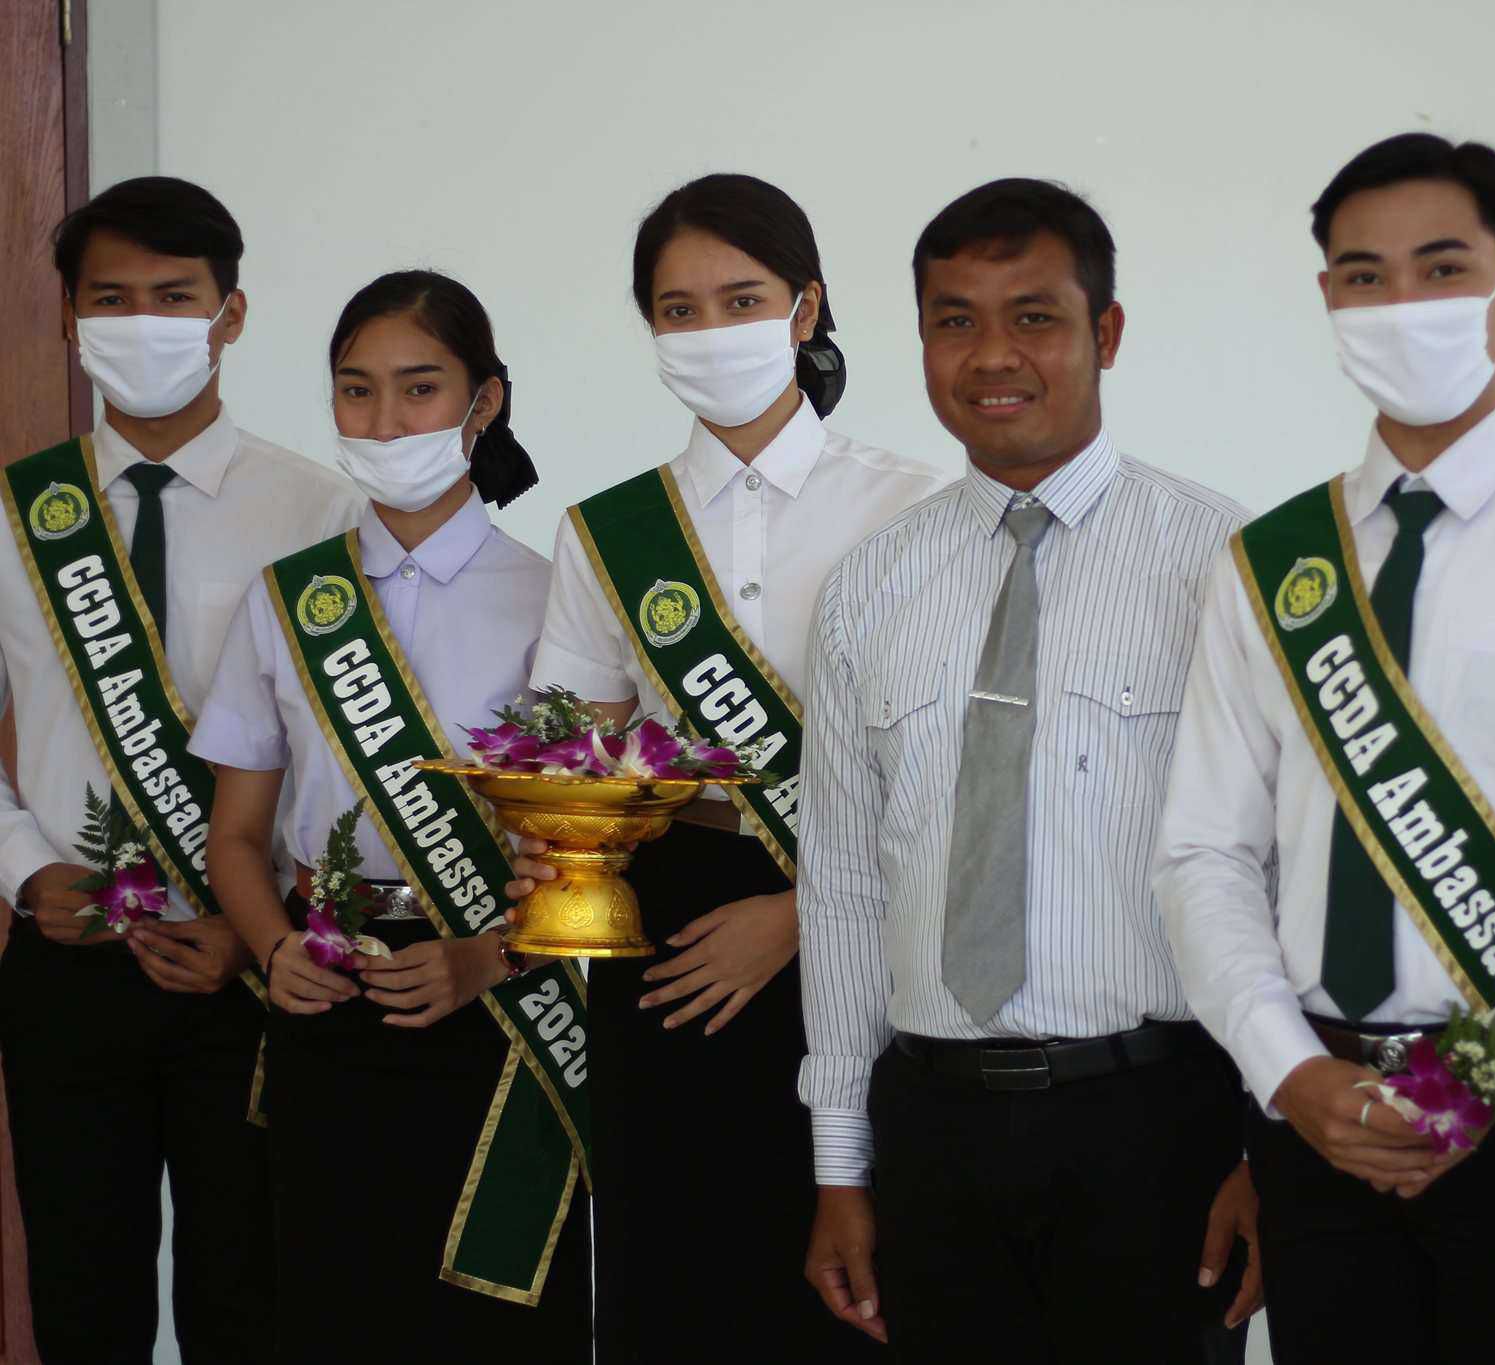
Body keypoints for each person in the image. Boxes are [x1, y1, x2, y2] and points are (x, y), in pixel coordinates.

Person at [1152, 133, 1495, 1365]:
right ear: (1325, 296)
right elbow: (1203, 852)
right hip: (1316, 1118)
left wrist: (1473, 1076)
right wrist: (1290, 1077)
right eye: (1362, 276)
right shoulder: (1271, 563)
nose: (1400, 306)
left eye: (1440, 269)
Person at [798, 177, 1262, 1364]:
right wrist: (841, 1168)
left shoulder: (1226, 563)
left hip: (1159, 1123)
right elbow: (841, 889)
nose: (992, 355)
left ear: (1106, 331)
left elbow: (1284, 869)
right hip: (932, 1130)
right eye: (953, 320)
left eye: (1034, 317)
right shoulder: (868, 587)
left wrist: (1269, 1147)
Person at [504, 173, 943, 1362]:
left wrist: (803, 912)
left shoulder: (918, 507)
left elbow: (959, 775)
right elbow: (575, 757)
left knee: (857, 1277)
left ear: (806, 308)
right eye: (677, 309)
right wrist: (549, 842)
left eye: (740, 300)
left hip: (873, 913)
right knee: (680, 1268)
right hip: (671, 929)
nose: (708, 332)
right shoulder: (609, 531)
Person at [191, 270, 591, 1361]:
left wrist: (482, 959)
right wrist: (275, 950)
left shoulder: (557, 597)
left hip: (500, 1005)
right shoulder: (289, 599)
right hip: (328, 998)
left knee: (495, 1324)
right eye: (355, 390)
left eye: (420, 388)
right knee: (335, 1308)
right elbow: (236, 834)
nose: (384, 421)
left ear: (483, 401)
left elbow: (586, 847)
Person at [0, 176, 360, 1362]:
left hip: (254, 963)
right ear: (69, 318)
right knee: (81, 1294)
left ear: (230, 315)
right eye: (112, 299)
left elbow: (346, 755)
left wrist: (261, 923)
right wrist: (25, 873)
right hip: (68, 961)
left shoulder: (321, 511)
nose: (143, 323)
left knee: (250, 1297)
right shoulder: (18, 516)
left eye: (174, 297)